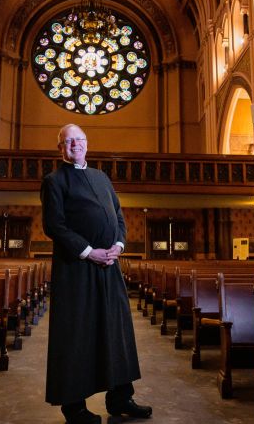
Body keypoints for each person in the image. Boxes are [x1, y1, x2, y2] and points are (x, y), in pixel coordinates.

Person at [41, 124, 152, 424]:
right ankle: (74, 407)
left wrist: (117, 245)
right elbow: (54, 226)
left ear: (87, 145)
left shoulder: (102, 177)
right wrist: (90, 251)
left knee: (116, 331)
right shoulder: (54, 181)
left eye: (80, 140)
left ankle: (120, 399)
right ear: (60, 148)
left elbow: (118, 215)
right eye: (69, 141)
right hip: (77, 269)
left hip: (109, 266)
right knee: (77, 335)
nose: (75, 145)